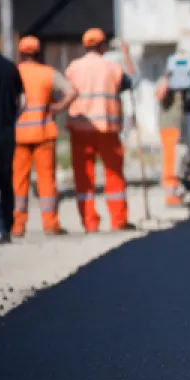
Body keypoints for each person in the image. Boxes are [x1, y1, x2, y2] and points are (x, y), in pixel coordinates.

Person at [65, 28, 138, 233]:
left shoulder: (73, 68)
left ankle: (89, 223)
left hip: (79, 129)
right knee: (114, 175)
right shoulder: (113, 67)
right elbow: (133, 83)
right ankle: (118, 220)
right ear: (103, 45)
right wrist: (126, 55)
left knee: (83, 177)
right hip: (107, 129)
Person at [11, 36, 78, 238]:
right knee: (46, 179)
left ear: (21, 54)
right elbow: (72, 91)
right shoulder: (48, 74)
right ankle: (51, 224)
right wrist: (57, 107)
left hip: (19, 134)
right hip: (44, 132)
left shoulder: (15, 73)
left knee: (19, 181)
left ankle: (17, 225)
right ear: (39, 53)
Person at [154, 48, 190, 207]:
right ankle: (171, 195)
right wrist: (169, 78)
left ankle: (188, 189)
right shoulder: (165, 79)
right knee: (171, 159)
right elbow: (159, 94)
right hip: (170, 124)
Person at [0, 37, 25, 245]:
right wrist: (13, 119)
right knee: (6, 180)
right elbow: (23, 101)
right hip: (7, 132)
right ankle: (8, 223)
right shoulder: (11, 68)